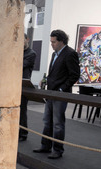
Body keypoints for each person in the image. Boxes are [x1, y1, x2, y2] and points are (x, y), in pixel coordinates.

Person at [33, 29, 80, 159]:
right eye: (51, 42)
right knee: (47, 121)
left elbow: (74, 75)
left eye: (54, 42)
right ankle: (45, 146)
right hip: (51, 93)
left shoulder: (70, 54)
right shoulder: (55, 54)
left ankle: (57, 150)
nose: (52, 44)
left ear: (61, 41)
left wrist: (62, 89)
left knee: (58, 123)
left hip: (60, 94)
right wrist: (46, 80)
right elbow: (55, 73)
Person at [19, 34, 37, 141]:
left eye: (22, 40)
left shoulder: (31, 54)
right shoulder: (17, 52)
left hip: (24, 85)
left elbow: (20, 65)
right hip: (13, 84)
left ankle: (23, 133)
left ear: (27, 39)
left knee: (22, 111)